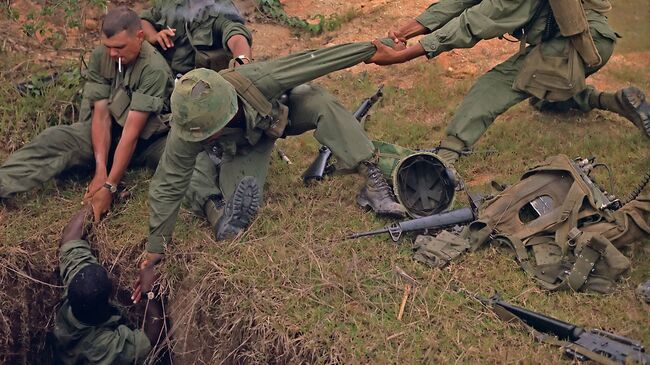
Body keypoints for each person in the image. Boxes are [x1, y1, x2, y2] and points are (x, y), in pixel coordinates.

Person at [132, 41, 407, 302]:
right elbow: (168, 183)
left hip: (278, 117)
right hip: (241, 149)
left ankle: (371, 177)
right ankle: (218, 211)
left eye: (208, 130)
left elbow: (317, 60)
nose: (204, 135)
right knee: (222, 187)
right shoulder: (187, 129)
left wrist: (372, 48)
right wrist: (153, 252)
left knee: (319, 99)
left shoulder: (257, 79)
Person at [0, 7, 219, 224]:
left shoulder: (154, 68)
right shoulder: (102, 56)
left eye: (120, 47)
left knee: (187, 159)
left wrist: (109, 186)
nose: (113, 53)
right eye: (108, 47)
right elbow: (101, 115)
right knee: (54, 138)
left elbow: (132, 133)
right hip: (110, 135)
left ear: (140, 37)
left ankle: (217, 212)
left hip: (150, 141)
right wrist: (101, 170)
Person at [366, 0, 650, 165]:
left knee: (496, 84)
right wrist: (408, 29)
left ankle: (448, 153)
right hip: (575, 38)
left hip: (581, 42)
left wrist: (406, 54)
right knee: (543, 97)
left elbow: (476, 21)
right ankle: (614, 101)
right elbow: (460, 2)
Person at [53, 208, 167, 364]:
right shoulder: (100, 347)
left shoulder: (79, 287)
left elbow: (70, 239)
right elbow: (153, 341)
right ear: (107, 300)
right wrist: (149, 293)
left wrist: (96, 204)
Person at [140, 0, 253, 75]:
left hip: (198, 88)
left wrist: (241, 69)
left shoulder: (222, 9)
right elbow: (144, 19)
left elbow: (238, 38)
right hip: (163, 78)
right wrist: (153, 35)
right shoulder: (172, 3)